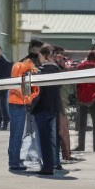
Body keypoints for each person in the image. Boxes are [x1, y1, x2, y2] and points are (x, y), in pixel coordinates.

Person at [6, 41, 41, 171]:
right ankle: (14, 162)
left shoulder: (18, 64)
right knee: (17, 134)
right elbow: (27, 89)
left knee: (15, 134)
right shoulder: (28, 67)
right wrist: (32, 97)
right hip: (19, 102)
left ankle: (13, 160)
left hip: (14, 101)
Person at [28, 46, 62, 174]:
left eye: (40, 56)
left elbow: (37, 92)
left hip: (42, 108)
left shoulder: (41, 72)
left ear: (44, 55)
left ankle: (47, 167)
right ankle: (52, 164)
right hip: (53, 108)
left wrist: (32, 105)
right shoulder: (56, 70)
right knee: (51, 139)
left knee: (43, 140)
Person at [74, 47, 95, 153]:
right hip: (93, 98)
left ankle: (80, 146)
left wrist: (79, 97)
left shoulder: (80, 66)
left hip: (82, 98)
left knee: (82, 124)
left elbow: (77, 84)